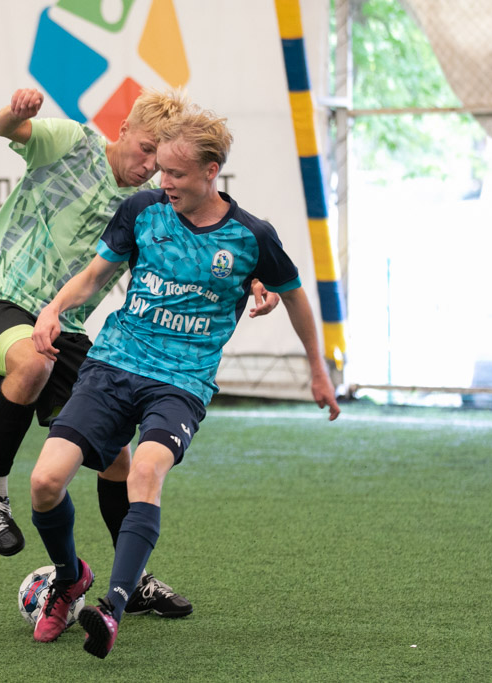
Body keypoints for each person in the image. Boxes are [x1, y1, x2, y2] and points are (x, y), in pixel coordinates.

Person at [27, 108, 341, 655]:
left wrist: (318, 369)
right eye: (161, 170)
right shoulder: (141, 210)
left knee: (145, 470)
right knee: (44, 483)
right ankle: (69, 578)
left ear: (211, 171)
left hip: (181, 382)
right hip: (114, 363)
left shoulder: (252, 237)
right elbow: (96, 274)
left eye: (175, 173)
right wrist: (53, 308)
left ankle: (112, 608)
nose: (163, 180)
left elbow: (294, 296)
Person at [0, 87, 277, 618]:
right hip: (0, 296)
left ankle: (134, 581)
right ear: (124, 129)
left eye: (162, 158)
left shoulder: (154, 203)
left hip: (69, 324)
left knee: (117, 459)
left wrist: (254, 283)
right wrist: (13, 114)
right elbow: (7, 130)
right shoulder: (73, 143)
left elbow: (203, 254)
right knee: (33, 363)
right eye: (146, 149)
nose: (152, 166)